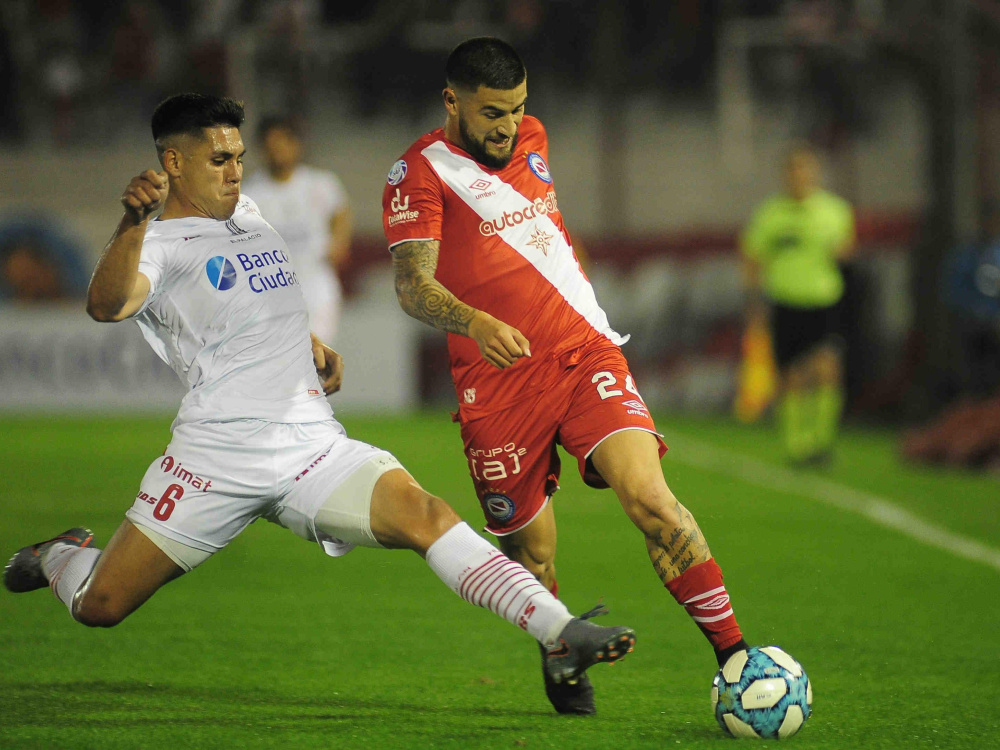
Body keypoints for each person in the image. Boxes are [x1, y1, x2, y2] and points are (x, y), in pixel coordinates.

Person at [2, 93, 636, 695]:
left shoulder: (248, 215)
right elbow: (106, 305)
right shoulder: (158, 246)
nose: (235, 172)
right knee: (101, 606)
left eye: (239, 156)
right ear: (173, 162)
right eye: (218, 160)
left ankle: (562, 632)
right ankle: (60, 557)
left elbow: (254, 301)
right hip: (216, 457)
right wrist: (132, 220)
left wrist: (307, 344)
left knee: (427, 516)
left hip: (310, 444)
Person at [382, 38, 749, 716]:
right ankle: (559, 649)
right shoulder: (418, 173)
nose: (509, 126)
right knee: (535, 553)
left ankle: (737, 657)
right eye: (493, 112)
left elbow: (539, 227)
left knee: (652, 499)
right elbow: (411, 287)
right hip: (495, 387)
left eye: (519, 109)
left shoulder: (534, 137)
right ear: (452, 101)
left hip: (583, 356)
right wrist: (476, 322)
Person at [741, 145, 855, 464]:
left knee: (827, 367)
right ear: (785, 175)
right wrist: (754, 301)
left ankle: (822, 440)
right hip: (785, 301)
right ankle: (796, 444)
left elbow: (847, 251)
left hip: (824, 300)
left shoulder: (835, 211)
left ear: (815, 174)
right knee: (790, 374)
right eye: (794, 170)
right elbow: (753, 258)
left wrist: (842, 253)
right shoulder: (770, 214)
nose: (800, 176)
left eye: (806, 170)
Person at [242, 116, 351, 343]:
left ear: (296, 144)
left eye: (283, 142)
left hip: (316, 285)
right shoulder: (250, 193)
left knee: (316, 358)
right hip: (270, 292)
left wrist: (339, 242)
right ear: (262, 148)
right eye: (272, 144)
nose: (278, 150)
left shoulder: (321, 183)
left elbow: (340, 211)